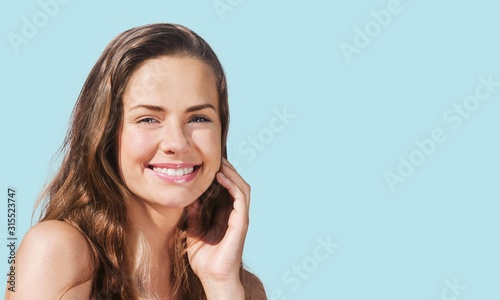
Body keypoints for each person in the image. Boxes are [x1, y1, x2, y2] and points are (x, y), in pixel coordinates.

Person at [5, 23, 266, 300]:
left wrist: (220, 284)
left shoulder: (241, 288)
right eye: (149, 119)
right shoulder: (55, 251)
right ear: (105, 133)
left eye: (199, 118)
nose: (177, 143)